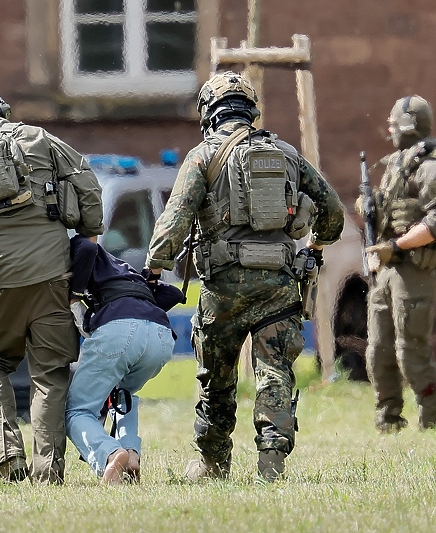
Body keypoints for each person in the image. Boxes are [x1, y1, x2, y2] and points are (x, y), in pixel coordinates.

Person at [146, 71, 344, 482]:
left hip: (223, 290)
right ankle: (271, 464)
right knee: (275, 372)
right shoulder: (287, 154)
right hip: (279, 285)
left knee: (216, 378)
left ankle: (212, 463)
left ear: (209, 114)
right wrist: (317, 246)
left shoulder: (203, 156)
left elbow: (176, 217)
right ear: (250, 111)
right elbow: (333, 212)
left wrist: (154, 265)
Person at [0, 87, 104, 483]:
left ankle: (7, 456)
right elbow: (88, 188)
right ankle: (48, 472)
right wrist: (88, 234)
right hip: (52, 279)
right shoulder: (38, 138)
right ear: (3, 110)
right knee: (50, 374)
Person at [65, 235, 182, 484]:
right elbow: (172, 294)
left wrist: (74, 296)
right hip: (160, 336)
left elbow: (87, 246)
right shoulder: (124, 268)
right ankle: (130, 454)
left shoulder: (76, 247)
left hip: (121, 330)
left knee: (78, 410)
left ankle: (109, 454)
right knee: (123, 393)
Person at [359, 95, 436, 433]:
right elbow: (388, 209)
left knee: (410, 351)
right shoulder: (394, 164)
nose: (389, 129)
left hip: (414, 270)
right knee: (378, 350)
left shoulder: (429, 167)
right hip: (385, 271)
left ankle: (431, 416)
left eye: (394, 123)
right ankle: (387, 417)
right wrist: (368, 206)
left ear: (408, 124)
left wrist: (397, 246)